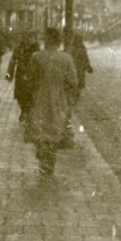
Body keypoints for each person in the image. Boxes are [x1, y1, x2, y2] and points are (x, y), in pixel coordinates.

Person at [26, 28, 78, 176]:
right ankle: (50, 162)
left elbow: (30, 79)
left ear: (47, 40)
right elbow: (73, 82)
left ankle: (43, 159)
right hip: (59, 101)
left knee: (41, 131)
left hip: (40, 100)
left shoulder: (36, 57)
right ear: (59, 40)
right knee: (54, 131)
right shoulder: (66, 58)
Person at [6, 32, 40, 123]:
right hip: (21, 73)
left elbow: (40, 61)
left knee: (30, 94)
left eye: (30, 37)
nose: (28, 40)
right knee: (20, 95)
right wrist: (9, 74)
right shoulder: (19, 47)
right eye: (26, 37)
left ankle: (27, 111)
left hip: (32, 74)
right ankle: (24, 110)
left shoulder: (36, 48)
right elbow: (13, 60)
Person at [69, 34, 94, 101]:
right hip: (79, 67)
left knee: (76, 81)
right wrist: (88, 66)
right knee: (78, 81)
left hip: (75, 67)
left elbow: (85, 58)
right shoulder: (81, 48)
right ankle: (76, 94)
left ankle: (75, 94)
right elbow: (85, 58)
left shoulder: (72, 47)